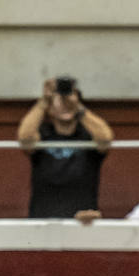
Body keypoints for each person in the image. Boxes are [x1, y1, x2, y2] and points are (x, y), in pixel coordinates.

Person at [18, 75, 115, 220]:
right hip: (43, 220)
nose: (65, 102)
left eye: (70, 97)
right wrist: (43, 101)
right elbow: (25, 139)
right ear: (50, 109)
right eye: (59, 99)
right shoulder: (43, 134)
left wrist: (77, 107)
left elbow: (106, 139)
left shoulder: (88, 135)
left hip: (82, 220)